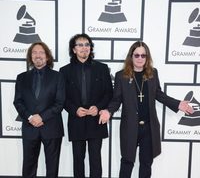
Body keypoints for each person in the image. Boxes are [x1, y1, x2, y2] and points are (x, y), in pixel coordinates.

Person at [99, 41, 193, 178]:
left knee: (146, 163)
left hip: (149, 128)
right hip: (130, 127)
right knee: (127, 162)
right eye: (136, 55)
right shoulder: (121, 76)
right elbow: (116, 99)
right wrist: (108, 111)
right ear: (131, 56)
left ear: (147, 57)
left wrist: (177, 104)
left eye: (143, 55)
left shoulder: (152, 73)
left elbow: (159, 95)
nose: (140, 58)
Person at [60, 33, 113, 178]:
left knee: (96, 159)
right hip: (76, 120)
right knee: (78, 160)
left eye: (87, 45)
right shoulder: (64, 71)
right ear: (74, 49)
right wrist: (74, 109)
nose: (84, 48)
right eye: (80, 45)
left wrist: (99, 107)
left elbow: (109, 93)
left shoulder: (102, 68)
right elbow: (61, 98)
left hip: (96, 120)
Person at [13, 42, 65, 178]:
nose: (38, 55)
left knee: (52, 169)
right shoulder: (21, 78)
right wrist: (30, 117)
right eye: (34, 53)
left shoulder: (58, 76)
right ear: (30, 57)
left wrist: (41, 117)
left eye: (41, 52)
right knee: (28, 167)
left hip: (52, 127)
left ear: (47, 57)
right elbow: (17, 102)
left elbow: (59, 103)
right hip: (30, 128)